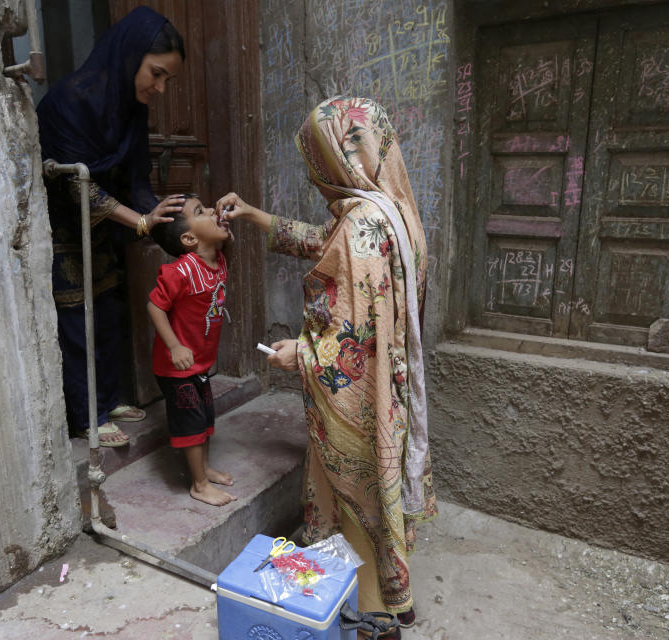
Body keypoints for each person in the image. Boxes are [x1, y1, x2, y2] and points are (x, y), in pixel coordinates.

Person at [218, 96, 437, 635]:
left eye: (317, 161)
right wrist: (254, 215)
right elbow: (326, 244)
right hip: (393, 392)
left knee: (356, 501)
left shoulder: (362, 227)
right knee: (379, 499)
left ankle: (372, 618)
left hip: (358, 405)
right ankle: (390, 596)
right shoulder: (392, 210)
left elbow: (351, 347)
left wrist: (301, 354)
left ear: (338, 159)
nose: (317, 176)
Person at [36, 8, 187, 446]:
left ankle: (111, 397)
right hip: (64, 228)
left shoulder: (128, 107)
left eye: (167, 81)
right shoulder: (70, 100)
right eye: (155, 74)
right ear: (130, 56)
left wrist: (173, 227)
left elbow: (135, 179)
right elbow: (75, 184)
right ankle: (87, 415)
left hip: (105, 229)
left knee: (108, 312)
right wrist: (140, 220)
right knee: (76, 321)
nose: (158, 88)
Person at [147, 196, 236, 506]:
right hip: (176, 367)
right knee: (192, 422)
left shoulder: (218, 259)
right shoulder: (181, 271)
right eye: (201, 211)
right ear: (188, 238)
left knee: (206, 417)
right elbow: (154, 307)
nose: (213, 210)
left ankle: (205, 469)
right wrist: (174, 345)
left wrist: (222, 226)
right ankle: (198, 484)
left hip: (200, 363)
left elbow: (222, 238)